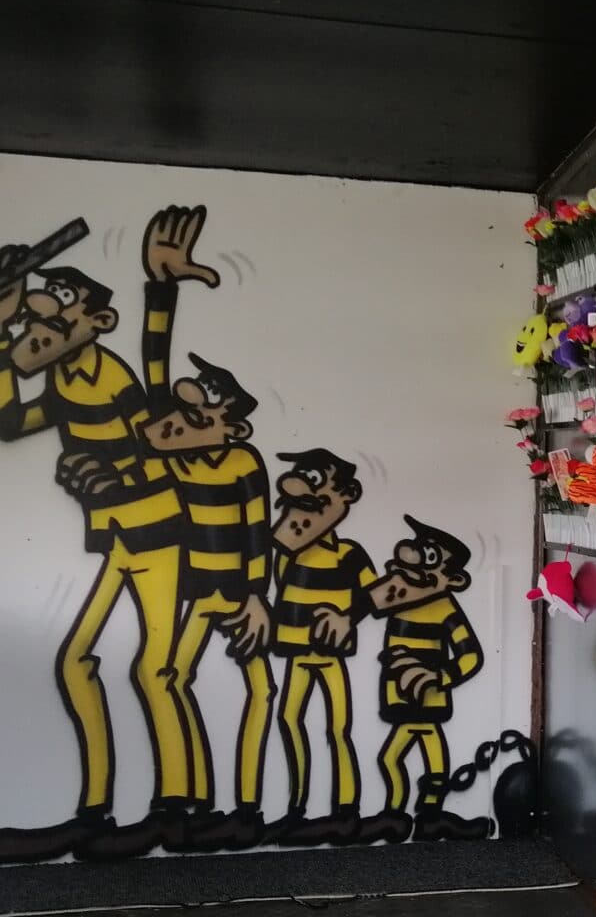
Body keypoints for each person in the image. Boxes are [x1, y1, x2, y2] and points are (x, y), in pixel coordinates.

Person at [0, 206, 220, 863]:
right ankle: (95, 811)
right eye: (39, 316)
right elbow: (10, 421)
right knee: (78, 661)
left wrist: (160, 290)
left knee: (155, 669)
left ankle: (176, 811)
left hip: (160, 535)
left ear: (99, 323)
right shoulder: (64, 380)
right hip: (120, 540)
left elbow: (159, 437)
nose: (42, 327)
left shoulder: (114, 378)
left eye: (58, 314)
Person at [143, 353, 275, 852]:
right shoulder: (180, 457)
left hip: (240, 595)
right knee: (171, 678)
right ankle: (196, 798)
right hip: (200, 591)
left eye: (204, 410)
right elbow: (154, 425)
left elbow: (258, 531)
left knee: (261, 691)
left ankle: (248, 808)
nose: (186, 419)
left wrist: (258, 597)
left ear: (234, 428)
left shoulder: (244, 462)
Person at [269, 449, 380, 845]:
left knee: (337, 727)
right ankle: (297, 806)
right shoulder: (290, 550)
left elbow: (374, 595)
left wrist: (347, 617)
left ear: (346, 495)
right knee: (289, 720)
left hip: (330, 654)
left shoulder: (349, 553)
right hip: (296, 651)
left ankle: (346, 808)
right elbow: (279, 592)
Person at [362, 518, 490, 843]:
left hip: (428, 695)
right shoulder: (399, 599)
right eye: (418, 547)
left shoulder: (445, 608)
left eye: (430, 555)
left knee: (395, 757)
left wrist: (441, 676)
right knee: (406, 756)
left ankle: (410, 813)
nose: (414, 556)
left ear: (454, 579)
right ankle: (416, 814)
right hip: (398, 693)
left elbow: (470, 655)